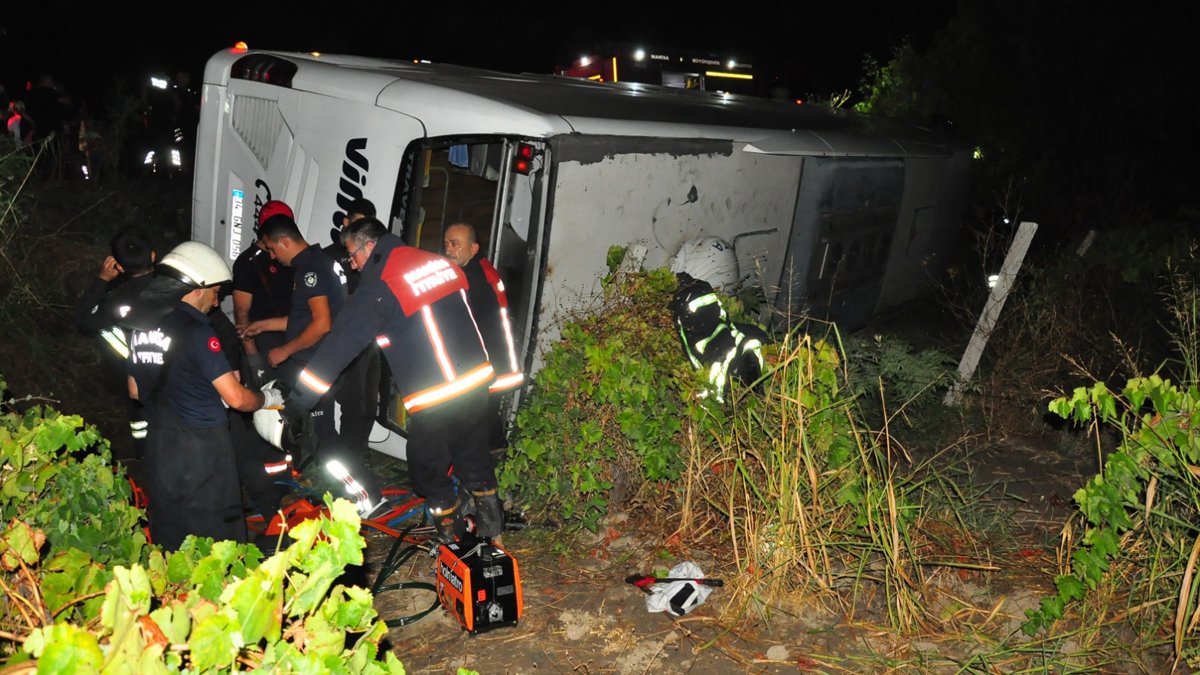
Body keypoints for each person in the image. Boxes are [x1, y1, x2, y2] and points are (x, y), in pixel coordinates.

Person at [280, 217, 500, 540]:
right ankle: (493, 537)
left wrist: (299, 402)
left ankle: (454, 539)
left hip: (437, 397)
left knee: (426, 473)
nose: (352, 265)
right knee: (474, 459)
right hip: (477, 384)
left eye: (352, 255)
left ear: (370, 246)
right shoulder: (437, 262)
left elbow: (337, 349)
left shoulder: (381, 285)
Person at [125, 241, 284, 551]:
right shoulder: (199, 331)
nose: (216, 301)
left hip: (159, 448)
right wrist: (266, 399)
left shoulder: (142, 326)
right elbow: (236, 398)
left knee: (173, 537)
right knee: (219, 540)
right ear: (196, 287)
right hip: (203, 453)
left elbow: (134, 389)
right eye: (215, 292)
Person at [443, 222, 524, 468]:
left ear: (473, 248)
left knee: (477, 425)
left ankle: (487, 476)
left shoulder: (473, 280)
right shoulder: (479, 269)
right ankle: (494, 469)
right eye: (446, 243)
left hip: (486, 365)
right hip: (490, 362)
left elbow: (466, 324)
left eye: (455, 244)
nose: (448, 249)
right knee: (486, 422)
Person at [321, 198, 384, 506]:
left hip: (372, 342)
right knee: (352, 405)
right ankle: (347, 468)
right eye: (354, 222)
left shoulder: (374, 257)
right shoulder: (330, 257)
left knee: (368, 405)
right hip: (346, 341)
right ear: (345, 222)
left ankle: (359, 455)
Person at [74, 226, 157, 458]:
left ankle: (144, 455)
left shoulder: (115, 302)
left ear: (118, 267)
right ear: (153, 255)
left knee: (141, 420)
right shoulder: (177, 288)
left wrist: (102, 279)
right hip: (175, 373)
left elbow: (83, 322)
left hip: (135, 376)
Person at [232, 200, 295, 387]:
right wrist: (253, 358)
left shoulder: (291, 257)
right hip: (261, 342)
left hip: (289, 340)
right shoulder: (248, 262)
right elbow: (241, 314)